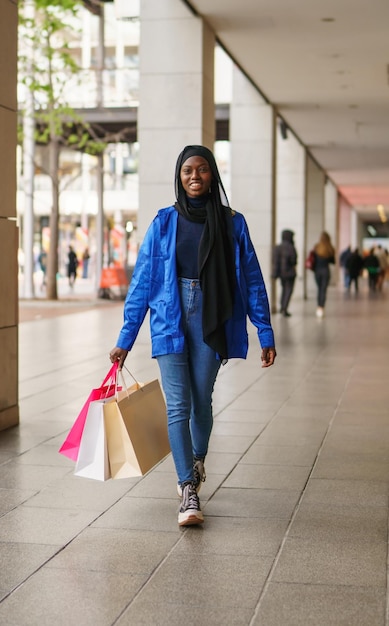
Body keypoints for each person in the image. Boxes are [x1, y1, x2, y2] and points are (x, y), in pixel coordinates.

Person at [109, 145, 276, 527]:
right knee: (177, 405)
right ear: (179, 177)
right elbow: (143, 282)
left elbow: (252, 280)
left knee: (202, 400)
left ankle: (196, 459)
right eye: (187, 171)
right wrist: (126, 337)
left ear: (213, 175)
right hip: (170, 316)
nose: (195, 176)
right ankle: (188, 489)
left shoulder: (232, 223)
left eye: (202, 169)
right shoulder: (164, 222)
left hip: (212, 317)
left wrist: (264, 331)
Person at [272, 229, 297, 317]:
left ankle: (282, 306)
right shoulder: (291, 247)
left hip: (281, 273)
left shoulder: (278, 247)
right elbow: (294, 261)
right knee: (288, 290)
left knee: (283, 290)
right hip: (290, 273)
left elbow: (274, 261)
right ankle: (284, 308)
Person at [313, 231, 335, 317]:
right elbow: (333, 261)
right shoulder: (330, 248)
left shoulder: (316, 247)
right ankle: (321, 307)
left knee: (319, 289)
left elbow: (313, 259)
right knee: (323, 290)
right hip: (325, 271)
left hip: (317, 271)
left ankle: (318, 306)